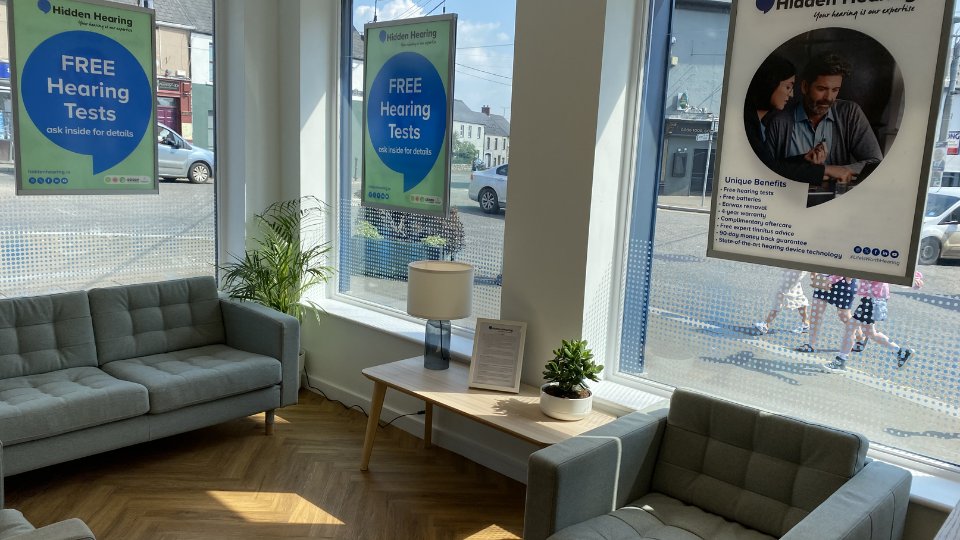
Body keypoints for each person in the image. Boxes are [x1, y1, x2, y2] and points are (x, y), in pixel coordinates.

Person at [765, 52, 883, 202]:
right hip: (789, 203)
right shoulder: (778, 120)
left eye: (835, 90)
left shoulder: (850, 113)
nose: (829, 98)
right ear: (805, 86)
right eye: (821, 89)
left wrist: (840, 171)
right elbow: (766, 171)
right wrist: (817, 170)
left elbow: (875, 162)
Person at [744, 55, 829, 184]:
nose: (792, 94)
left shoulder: (758, 123)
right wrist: (825, 171)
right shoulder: (747, 124)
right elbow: (767, 170)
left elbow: (769, 163)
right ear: (770, 83)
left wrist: (804, 159)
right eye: (788, 87)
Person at [823, 272, 923, 372]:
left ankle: (841, 361)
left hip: (873, 298)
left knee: (851, 327)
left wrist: (914, 278)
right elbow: (852, 267)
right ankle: (901, 352)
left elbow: (899, 266)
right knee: (869, 332)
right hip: (872, 297)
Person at [796, 274, 858, 353]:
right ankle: (811, 344)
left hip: (844, 281)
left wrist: (831, 279)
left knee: (843, 315)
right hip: (824, 278)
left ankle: (860, 336)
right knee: (816, 311)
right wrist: (814, 274)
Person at [753, 269, 809, 335]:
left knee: (780, 294)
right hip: (792, 269)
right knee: (797, 295)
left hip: (795, 270)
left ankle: (765, 324)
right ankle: (805, 323)